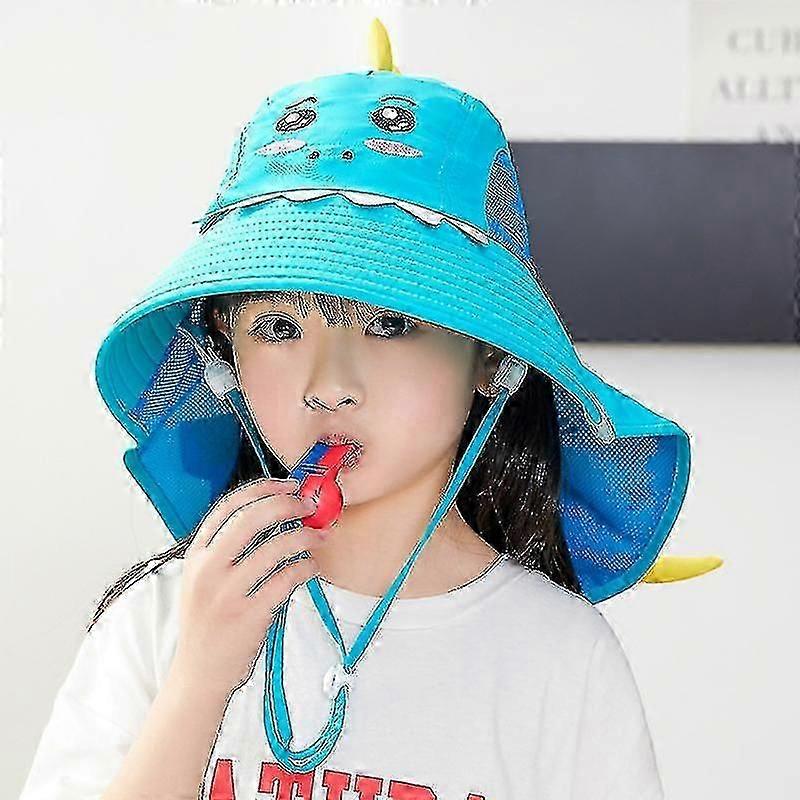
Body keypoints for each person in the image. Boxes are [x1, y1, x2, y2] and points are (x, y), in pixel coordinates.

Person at [19, 64, 690, 800]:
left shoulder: (561, 660)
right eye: (278, 328)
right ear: (223, 361)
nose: (329, 384)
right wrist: (198, 683)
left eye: (390, 325)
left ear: (491, 360)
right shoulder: (158, 619)